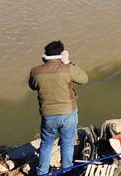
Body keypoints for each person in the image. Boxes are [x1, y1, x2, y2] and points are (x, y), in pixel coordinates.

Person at [29, 40, 88, 176]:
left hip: (48, 115)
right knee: (67, 144)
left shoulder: (35, 71)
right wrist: (68, 62)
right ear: (61, 55)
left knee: (46, 145)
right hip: (68, 113)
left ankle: (42, 172)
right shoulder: (67, 69)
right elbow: (84, 79)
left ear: (45, 54)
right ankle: (67, 171)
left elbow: (33, 86)